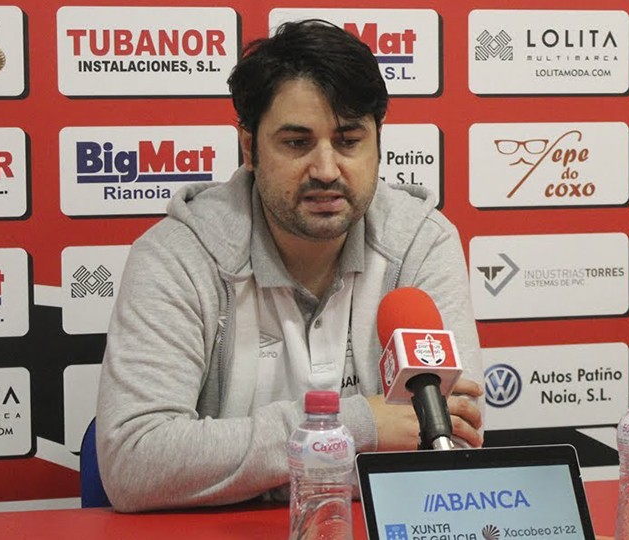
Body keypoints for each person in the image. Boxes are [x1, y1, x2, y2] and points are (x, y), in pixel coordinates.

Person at [96, 19, 484, 513]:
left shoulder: (420, 242)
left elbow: (454, 438)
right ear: (249, 148)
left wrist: (252, 470)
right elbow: (134, 462)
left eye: (348, 140)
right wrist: (357, 428)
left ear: (378, 143)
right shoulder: (178, 254)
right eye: (297, 143)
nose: (326, 170)